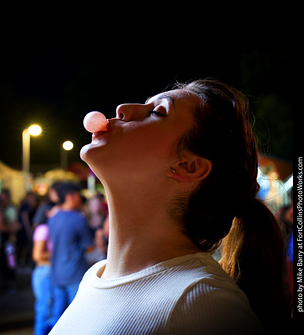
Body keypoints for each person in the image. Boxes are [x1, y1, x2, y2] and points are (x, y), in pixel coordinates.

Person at [49, 79, 291, 334]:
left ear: (189, 167)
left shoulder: (205, 303)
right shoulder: (95, 276)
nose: (123, 109)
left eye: (157, 112)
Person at [49, 182, 94, 326]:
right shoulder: (77, 219)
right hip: (74, 273)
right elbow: (90, 248)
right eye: (78, 195)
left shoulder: (53, 217)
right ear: (70, 197)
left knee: (58, 315)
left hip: (56, 272)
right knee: (77, 316)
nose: (80, 198)